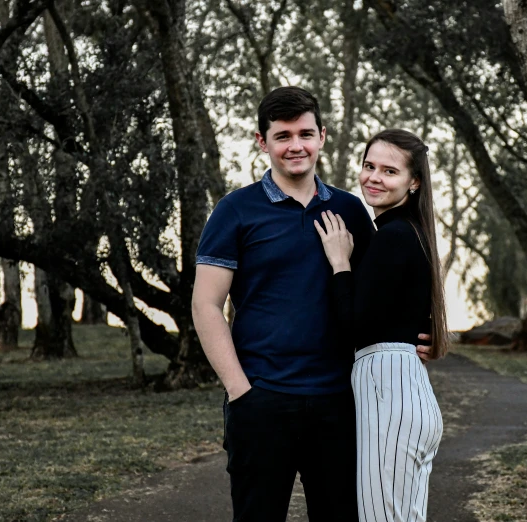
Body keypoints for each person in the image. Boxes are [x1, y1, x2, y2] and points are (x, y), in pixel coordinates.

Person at [191, 88, 431, 522]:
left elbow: (380, 291)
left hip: (341, 403)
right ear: (262, 142)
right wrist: (239, 391)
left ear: (322, 136)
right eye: (282, 136)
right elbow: (206, 305)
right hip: (262, 399)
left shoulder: (351, 210)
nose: (295, 146)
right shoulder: (235, 210)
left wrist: (416, 335)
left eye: (305, 133)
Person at [313, 129, 449, 522]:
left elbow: (352, 326)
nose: (373, 177)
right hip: (410, 394)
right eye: (369, 166)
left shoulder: (393, 236)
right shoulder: (412, 233)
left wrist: (340, 262)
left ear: (414, 181)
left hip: (389, 394)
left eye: (389, 171)